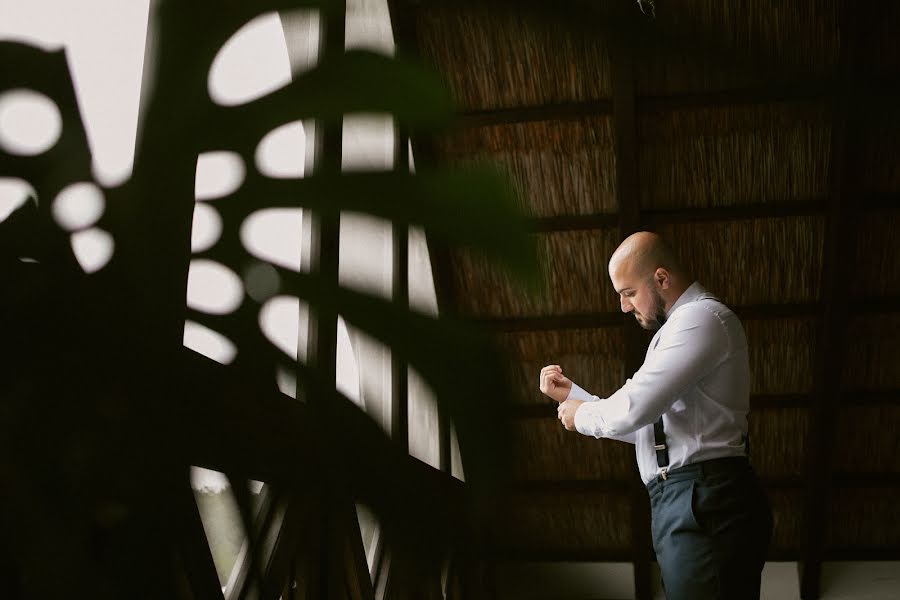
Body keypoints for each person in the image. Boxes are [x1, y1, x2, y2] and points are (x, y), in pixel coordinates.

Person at [539, 231, 772, 600]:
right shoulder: (683, 327)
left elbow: (636, 406)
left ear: (661, 279)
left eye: (628, 293)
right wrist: (576, 397)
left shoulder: (701, 318)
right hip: (687, 498)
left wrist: (582, 415)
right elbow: (654, 427)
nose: (623, 307)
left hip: (703, 497)